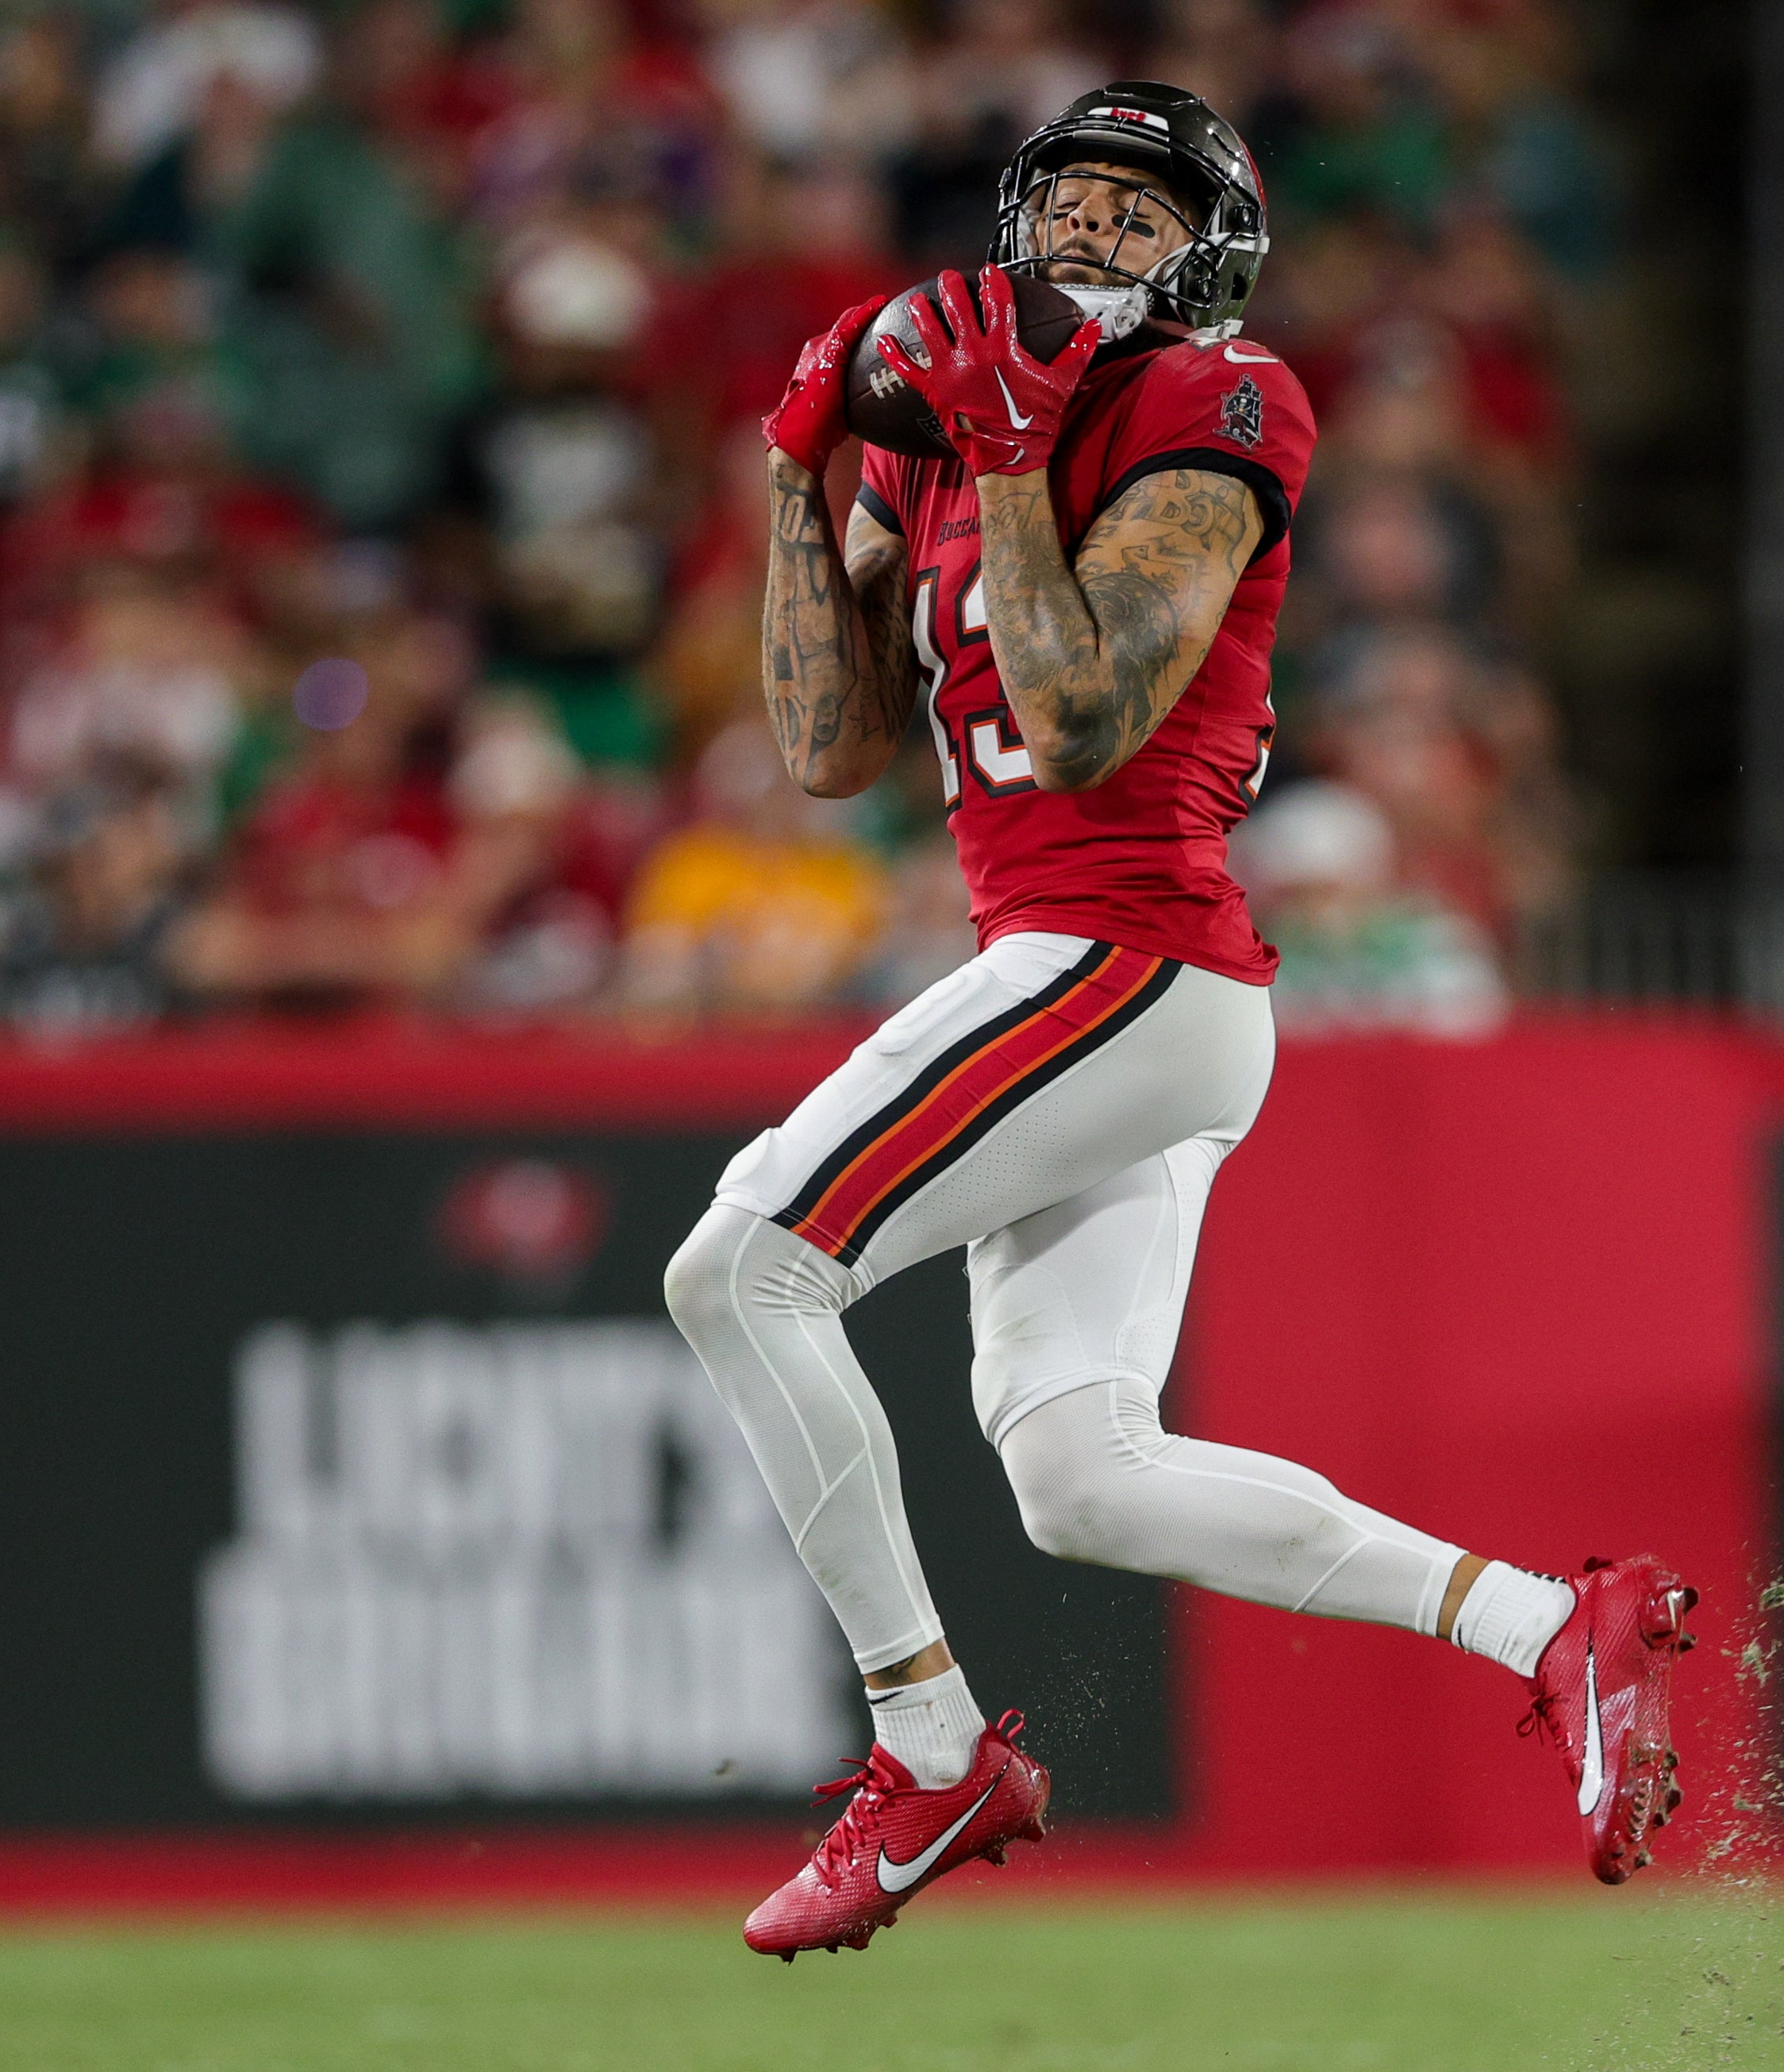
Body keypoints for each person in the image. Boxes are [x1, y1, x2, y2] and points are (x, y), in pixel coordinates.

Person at [661, 83, 1695, 1962]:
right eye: (1069, 197)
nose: (1091, 231)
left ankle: (928, 1750)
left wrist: (1001, 461)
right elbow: (825, 749)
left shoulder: (1218, 404)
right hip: (1096, 984)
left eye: (1139, 212)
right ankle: (1552, 1624)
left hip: (1128, 958)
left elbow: (1075, 725)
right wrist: (799, 480)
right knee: (1079, 1474)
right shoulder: (948, 421)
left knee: (742, 1270)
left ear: (1207, 257)